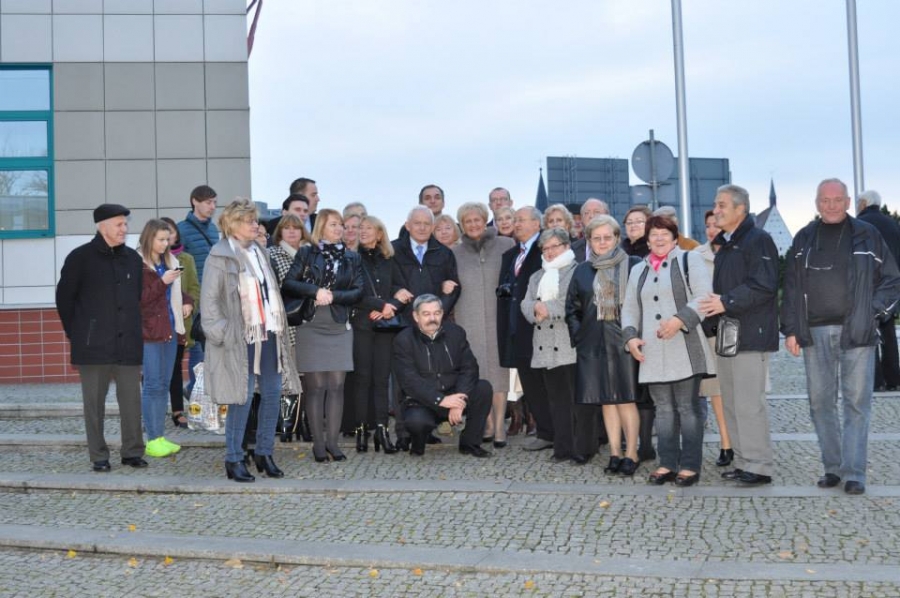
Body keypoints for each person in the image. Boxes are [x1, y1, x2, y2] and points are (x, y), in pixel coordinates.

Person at [781, 178, 900, 496]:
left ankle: (854, 472)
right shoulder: (804, 237)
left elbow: (892, 280)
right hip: (814, 332)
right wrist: (790, 328)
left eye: (837, 200)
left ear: (848, 202)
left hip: (857, 332)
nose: (831, 205)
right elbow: (791, 286)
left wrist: (873, 312)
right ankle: (832, 467)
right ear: (816, 203)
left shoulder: (868, 234)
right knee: (820, 403)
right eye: (825, 200)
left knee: (856, 403)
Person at [201, 198, 300, 482]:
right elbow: (209, 303)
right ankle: (234, 458)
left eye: (256, 220)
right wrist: (225, 334)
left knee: (272, 393)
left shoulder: (260, 252)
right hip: (238, 338)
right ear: (233, 224)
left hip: (268, 333)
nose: (256, 225)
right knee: (240, 398)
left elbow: (271, 293)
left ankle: (264, 453)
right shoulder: (219, 256)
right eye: (250, 221)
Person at [622, 216, 716, 486]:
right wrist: (630, 337)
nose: (659, 238)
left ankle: (690, 465)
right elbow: (630, 308)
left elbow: (704, 297)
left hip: (685, 345)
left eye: (665, 233)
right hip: (652, 351)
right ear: (647, 240)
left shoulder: (690, 260)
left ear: (675, 238)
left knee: (687, 408)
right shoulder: (637, 270)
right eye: (654, 234)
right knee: (663, 409)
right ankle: (667, 463)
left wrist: (679, 320)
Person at [698, 184, 779, 487]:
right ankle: (744, 461)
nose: (716, 210)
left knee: (748, 404)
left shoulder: (758, 240)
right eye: (715, 204)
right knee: (731, 402)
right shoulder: (727, 245)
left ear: (740, 209)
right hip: (728, 333)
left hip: (751, 334)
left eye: (721, 205)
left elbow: (764, 285)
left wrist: (726, 302)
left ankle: (759, 466)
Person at [56, 204, 147, 472]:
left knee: (131, 403)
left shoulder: (133, 259)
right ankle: (98, 455)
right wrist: (80, 334)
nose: (124, 229)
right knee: (94, 405)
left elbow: (136, 298)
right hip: (93, 346)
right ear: (102, 226)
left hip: (128, 344)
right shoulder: (79, 258)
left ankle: (132, 452)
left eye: (125, 224)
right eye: (119, 224)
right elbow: (65, 300)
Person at [282, 208, 364, 462]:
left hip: (339, 326)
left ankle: (333, 443)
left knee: (337, 386)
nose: (339, 229)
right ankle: (318, 445)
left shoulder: (352, 257)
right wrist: (315, 291)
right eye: (333, 224)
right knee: (316, 387)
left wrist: (334, 296)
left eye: (341, 224)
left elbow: (358, 291)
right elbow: (289, 283)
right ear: (321, 228)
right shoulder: (307, 253)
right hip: (311, 324)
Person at [566, 216, 641, 474]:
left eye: (607, 237)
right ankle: (615, 452)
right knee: (607, 402)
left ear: (617, 238)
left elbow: (642, 303)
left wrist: (635, 335)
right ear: (589, 241)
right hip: (592, 345)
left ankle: (632, 453)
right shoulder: (582, 270)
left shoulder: (634, 265)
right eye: (596, 238)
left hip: (624, 343)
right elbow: (572, 308)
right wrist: (579, 337)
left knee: (626, 400)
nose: (602, 242)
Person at [391, 205, 461, 450]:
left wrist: (437, 314)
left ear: (433, 226)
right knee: (402, 380)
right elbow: (389, 283)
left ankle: (426, 427)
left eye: (426, 224)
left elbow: (454, 287)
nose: (422, 228)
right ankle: (403, 433)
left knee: (431, 376)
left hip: (433, 327)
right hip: (403, 324)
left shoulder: (443, 253)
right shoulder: (393, 250)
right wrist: (396, 294)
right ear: (407, 225)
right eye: (417, 223)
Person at [392, 294, 493, 457]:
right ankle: (418, 443)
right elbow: (410, 381)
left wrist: (459, 399)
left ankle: (470, 443)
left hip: (453, 392)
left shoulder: (456, 333)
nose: (432, 318)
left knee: (483, 388)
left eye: (437, 313)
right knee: (417, 422)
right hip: (423, 400)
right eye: (426, 314)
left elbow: (470, 368)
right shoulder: (404, 340)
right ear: (416, 316)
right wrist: (441, 400)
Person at [452, 202, 516, 446]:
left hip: (499, 318)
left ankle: (500, 426)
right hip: (468, 319)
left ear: (485, 220)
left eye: (477, 219)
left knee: (499, 374)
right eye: (467, 221)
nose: (473, 225)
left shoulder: (506, 245)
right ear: (462, 225)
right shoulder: (454, 253)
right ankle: (487, 423)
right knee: (477, 372)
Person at [520, 228, 581, 462]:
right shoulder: (537, 276)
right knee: (556, 401)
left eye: (555, 246)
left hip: (569, 346)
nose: (550, 252)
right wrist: (535, 308)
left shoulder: (577, 271)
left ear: (566, 246)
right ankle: (562, 449)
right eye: (545, 248)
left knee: (574, 401)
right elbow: (525, 303)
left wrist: (547, 308)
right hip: (545, 347)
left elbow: (574, 303)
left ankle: (578, 448)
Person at [499, 206, 553, 451]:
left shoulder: (545, 250)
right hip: (516, 329)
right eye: (515, 220)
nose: (516, 223)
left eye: (521, 219)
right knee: (530, 385)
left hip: (540, 329)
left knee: (546, 384)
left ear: (536, 224)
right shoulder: (510, 255)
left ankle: (557, 432)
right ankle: (545, 432)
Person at [137, 219, 192, 458]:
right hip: (149, 333)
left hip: (171, 329)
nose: (165, 244)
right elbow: (139, 300)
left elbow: (176, 292)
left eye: (167, 239)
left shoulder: (171, 261)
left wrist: (187, 301)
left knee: (163, 384)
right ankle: (152, 439)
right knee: (152, 385)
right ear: (149, 238)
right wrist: (162, 282)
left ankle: (159, 436)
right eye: (160, 239)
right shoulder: (138, 264)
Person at [349, 215, 402, 454]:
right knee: (362, 378)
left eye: (368, 227)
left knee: (382, 379)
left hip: (385, 327)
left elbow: (400, 289)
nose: (363, 231)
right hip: (361, 325)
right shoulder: (352, 258)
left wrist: (390, 307)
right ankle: (361, 429)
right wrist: (380, 305)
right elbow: (353, 291)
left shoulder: (390, 259)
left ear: (380, 233)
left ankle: (382, 429)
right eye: (361, 227)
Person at [694, 209, 733, 467]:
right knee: (716, 391)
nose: (712, 229)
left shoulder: (739, 251)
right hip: (710, 330)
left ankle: (745, 441)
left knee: (740, 389)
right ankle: (726, 443)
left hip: (737, 328)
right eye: (708, 225)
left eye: (716, 224)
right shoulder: (696, 256)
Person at [177, 184, 220, 395]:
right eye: (208, 202)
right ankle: (196, 391)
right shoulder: (181, 230)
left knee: (210, 349)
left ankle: (196, 390)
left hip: (214, 298)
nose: (212, 207)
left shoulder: (213, 229)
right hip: (194, 299)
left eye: (214, 203)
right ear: (195, 201)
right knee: (196, 347)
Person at [856, 189, 900, 392]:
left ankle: (875, 380)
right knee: (888, 332)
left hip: (868, 285)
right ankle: (894, 378)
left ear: (864, 204)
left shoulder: (859, 225)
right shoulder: (892, 224)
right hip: (891, 285)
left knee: (869, 330)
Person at [160, 217, 200, 430]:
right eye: (163, 232)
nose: (168, 236)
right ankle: (153, 412)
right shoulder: (147, 259)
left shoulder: (186, 259)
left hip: (179, 323)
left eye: (171, 231)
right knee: (153, 371)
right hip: (155, 323)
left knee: (175, 367)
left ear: (176, 234)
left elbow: (194, 287)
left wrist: (190, 304)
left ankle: (177, 410)